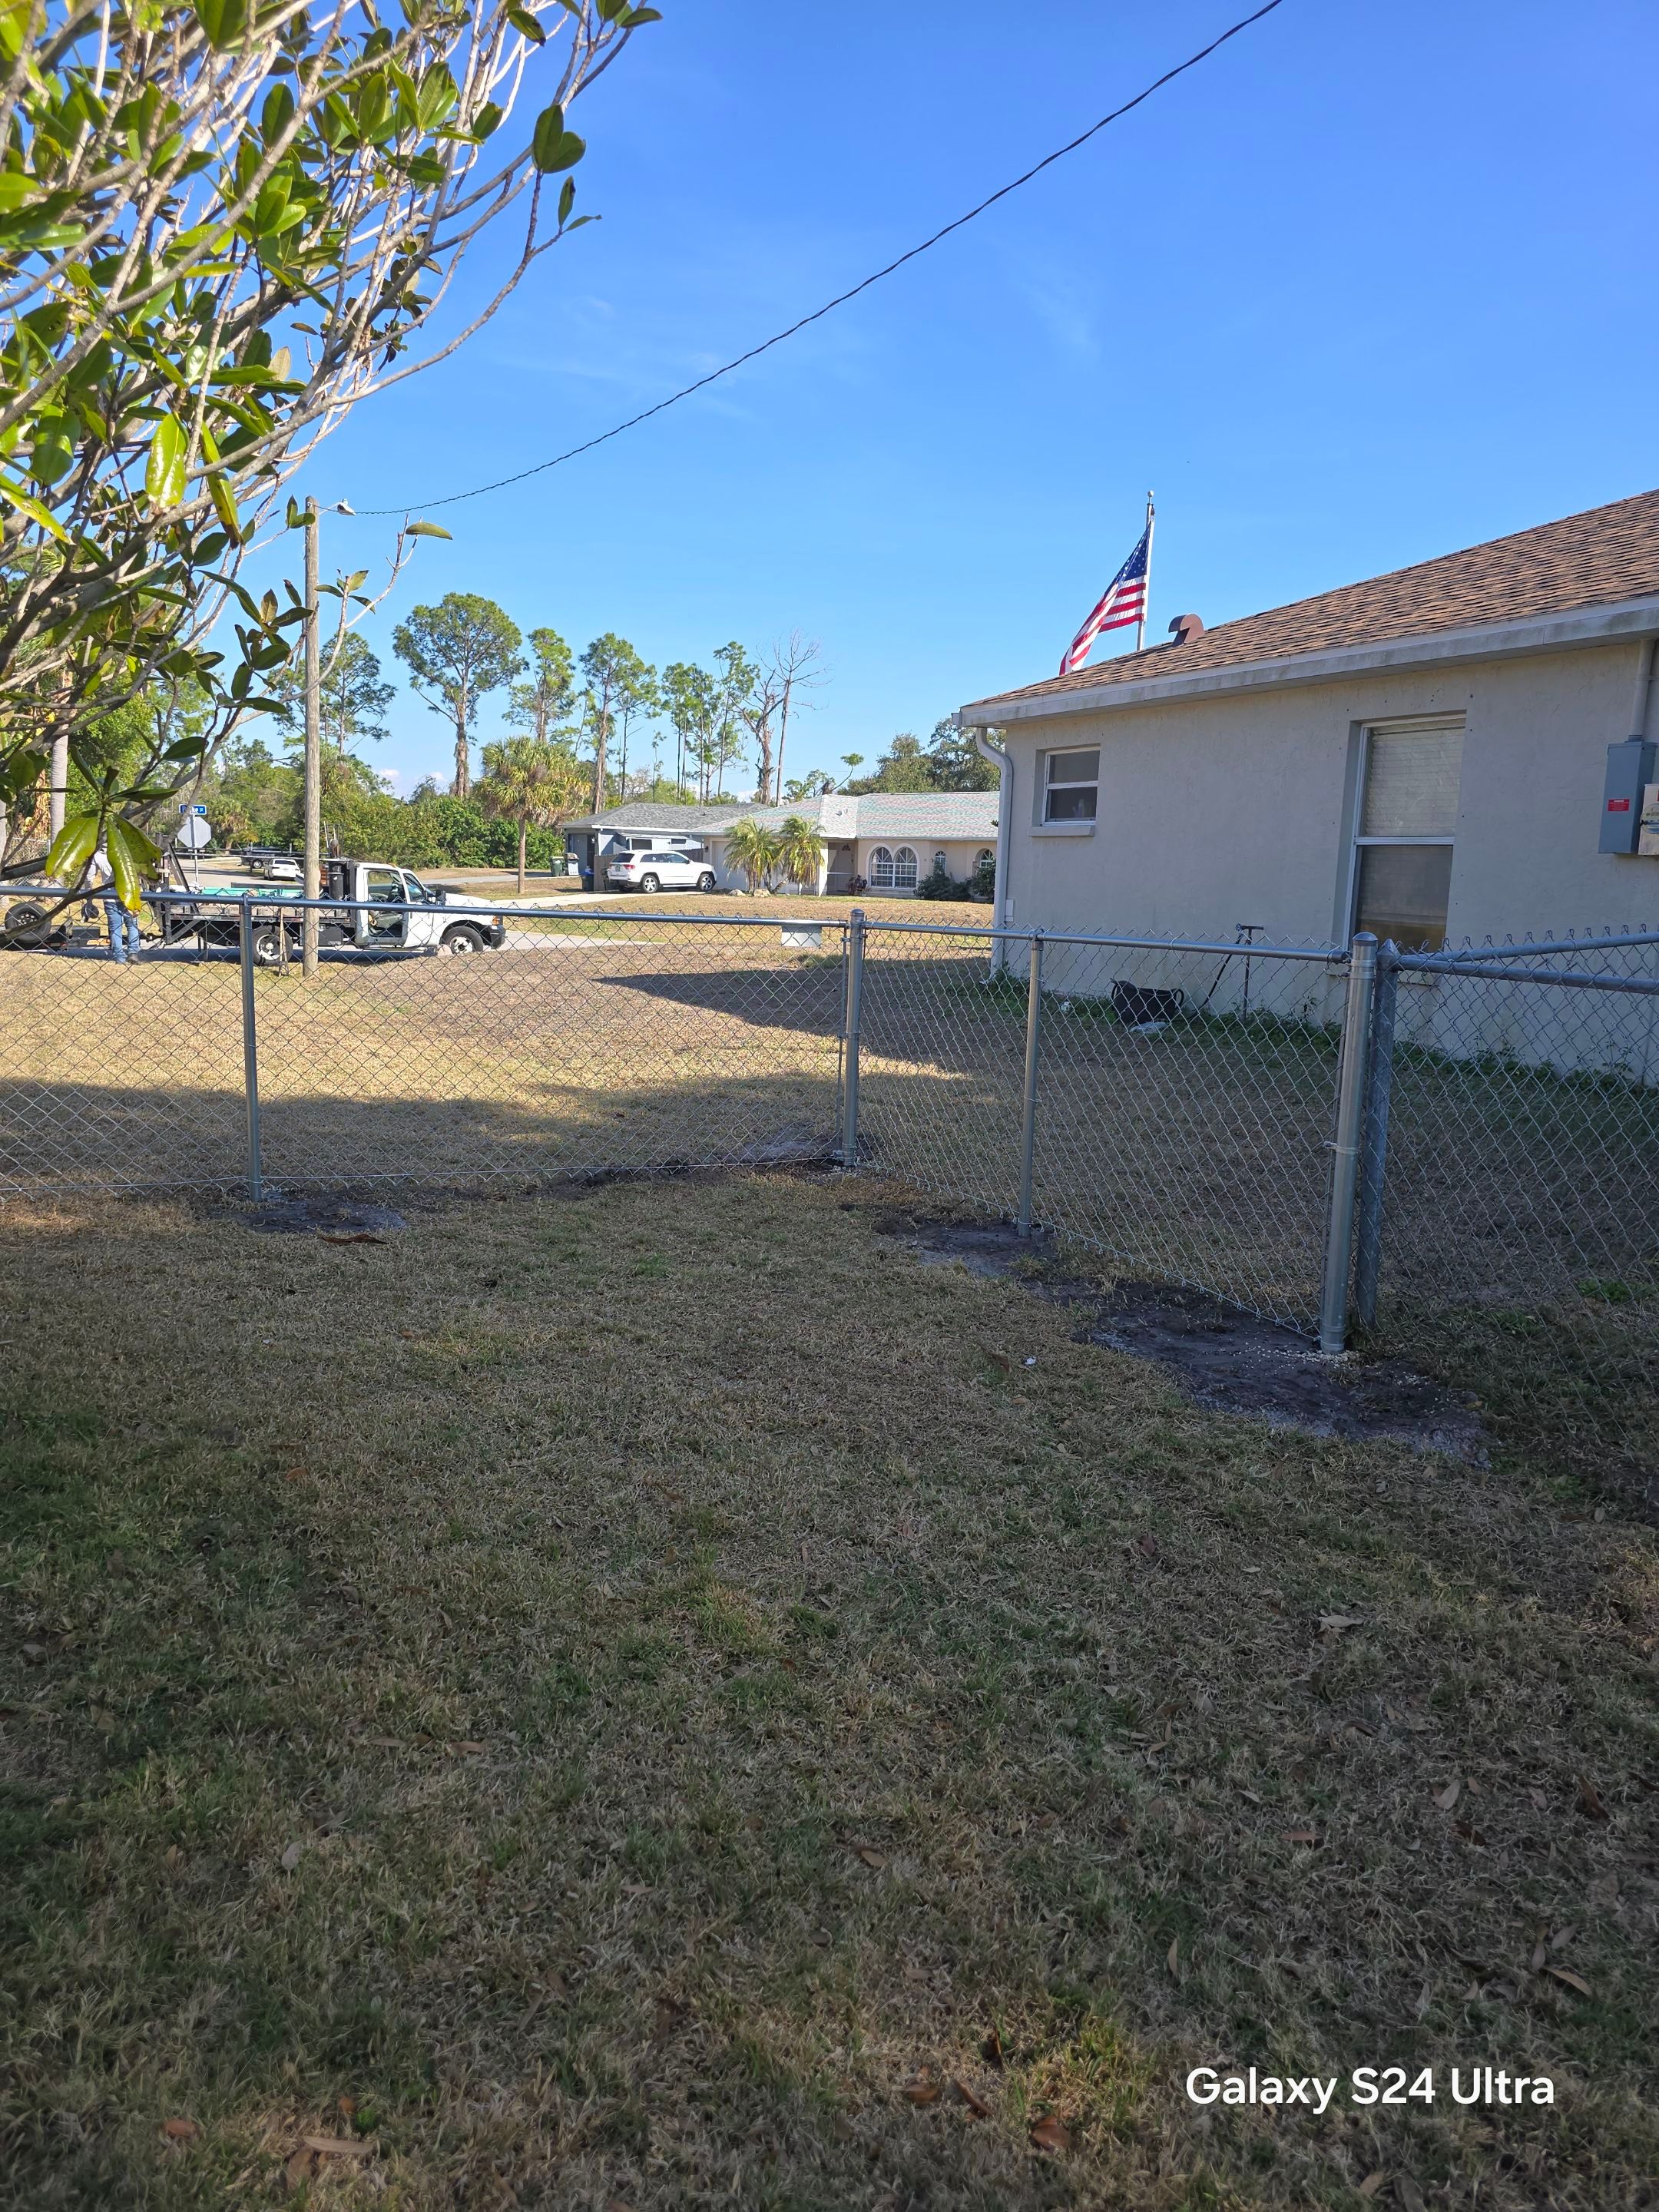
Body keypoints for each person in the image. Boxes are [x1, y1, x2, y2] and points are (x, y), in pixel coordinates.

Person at [89, 841, 144, 964]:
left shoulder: (98, 856)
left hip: (109, 896)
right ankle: (133, 953)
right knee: (132, 925)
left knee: (115, 928)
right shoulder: (125, 853)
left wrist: (89, 895)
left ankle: (119, 957)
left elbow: (89, 877)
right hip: (129, 895)